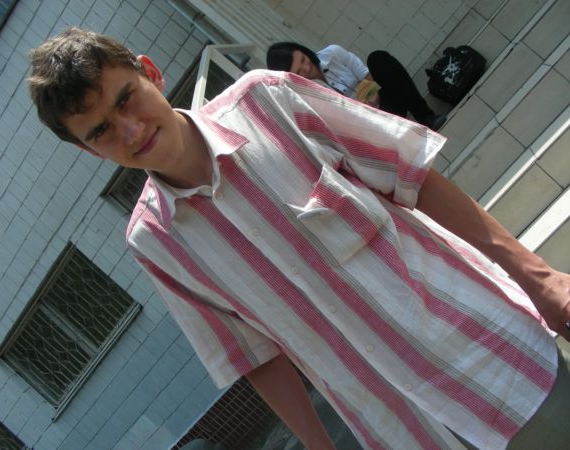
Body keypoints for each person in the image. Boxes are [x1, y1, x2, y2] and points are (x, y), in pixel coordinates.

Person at [28, 28, 570, 450]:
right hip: (401, 429)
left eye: (126, 99)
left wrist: (540, 279)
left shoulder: (269, 100)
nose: (129, 130)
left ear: (150, 72)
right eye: (100, 131)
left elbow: (412, 177)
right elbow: (251, 353)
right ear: (87, 150)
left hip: (492, 357)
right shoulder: (156, 241)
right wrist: (317, 443)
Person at [266, 42, 447, 131]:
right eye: (299, 71)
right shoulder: (305, 96)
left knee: (378, 59)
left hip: (380, 103)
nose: (306, 68)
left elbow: (366, 76)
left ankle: (426, 117)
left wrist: (369, 98)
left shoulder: (333, 53)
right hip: (366, 128)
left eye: (303, 59)